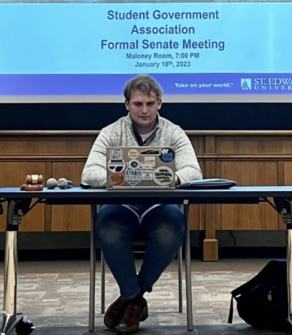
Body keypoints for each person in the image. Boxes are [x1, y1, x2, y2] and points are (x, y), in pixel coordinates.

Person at [81, 75, 202, 334]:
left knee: (171, 230)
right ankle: (134, 298)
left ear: (160, 103)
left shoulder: (174, 132)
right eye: (137, 104)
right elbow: (89, 174)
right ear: (126, 104)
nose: (144, 110)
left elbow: (194, 171)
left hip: (161, 204)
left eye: (149, 103)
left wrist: (169, 178)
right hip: (121, 203)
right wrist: (127, 182)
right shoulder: (110, 132)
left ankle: (131, 299)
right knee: (108, 228)